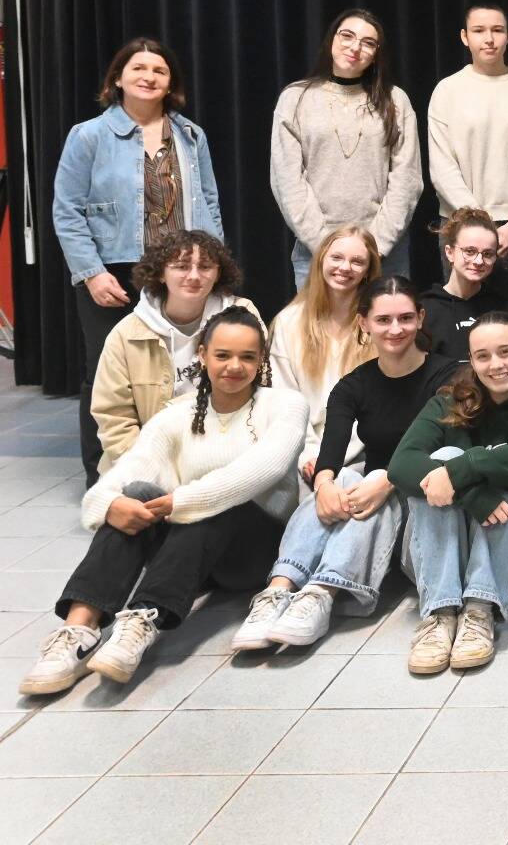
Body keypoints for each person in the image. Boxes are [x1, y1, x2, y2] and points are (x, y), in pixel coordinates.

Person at [20, 309, 307, 695]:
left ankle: (140, 622)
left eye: (247, 357)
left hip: (254, 551)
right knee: (135, 494)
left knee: (218, 500)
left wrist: (179, 502)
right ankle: (79, 630)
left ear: (261, 361)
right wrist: (109, 505)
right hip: (194, 551)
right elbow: (127, 470)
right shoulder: (178, 414)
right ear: (202, 356)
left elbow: (259, 472)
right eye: (222, 355)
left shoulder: (285, 405)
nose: (234, 366)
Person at [229, 278, 458, 652]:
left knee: (371, 480)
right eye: (383, 320)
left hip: (420, 497)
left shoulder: (447, 375)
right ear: (364, 323)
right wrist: (324, 486)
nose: (395, 329)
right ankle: (279, 591)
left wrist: (388, 480)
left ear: (420, 318)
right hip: (370, 495)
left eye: (405, 318)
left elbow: (448, 445)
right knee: (346, 475)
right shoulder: (354, 385)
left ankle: (322, 592)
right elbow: (331, 449)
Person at [56, 39, 224, 481]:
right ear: (117, 78)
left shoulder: (190, 135)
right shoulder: (88, 135)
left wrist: (214, 268)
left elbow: (209, 200)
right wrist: (91, 273)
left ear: (171, 83)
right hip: (113, 270)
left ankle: (177, 469)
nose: (149, 76)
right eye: (139, 68)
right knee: (107, 375)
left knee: (181, 368)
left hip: (181, 272)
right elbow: (66, 209)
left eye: (159, 70)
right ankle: (105, 477)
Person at [388, 313, 508, 673]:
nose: (496, 365)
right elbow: (400, 466)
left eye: (505, 352)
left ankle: (479, 611)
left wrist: (464, 471)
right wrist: (472, 495)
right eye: (483, 356)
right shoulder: (446, 402)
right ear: (471, 361)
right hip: (444, 555)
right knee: (441, 458)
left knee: (502, 465)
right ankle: (440, 614)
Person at [270, 9, 421, 283]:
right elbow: (287, 181)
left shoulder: (396, 100)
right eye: (347, 36)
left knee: (386, 327)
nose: (355, 47)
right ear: (331, 41)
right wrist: (329, 249)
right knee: (319, 327)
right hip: (315, 250)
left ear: (376, 53)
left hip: (384, 251)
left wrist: (373, 248)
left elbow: (407, 180)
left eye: (368, 42)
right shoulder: (296, 98)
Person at [90, 230, 259, 475]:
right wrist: (149, 468)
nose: (193, 276)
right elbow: (113, 416)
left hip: (226, 453)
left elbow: (262, 386)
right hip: (147, 460)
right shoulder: (126, 333)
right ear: (160, 273)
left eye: (205, 267)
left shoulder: (242, 314)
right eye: (181, 266)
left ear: (218, 273)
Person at [426, 3, 508, 272]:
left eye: (497, 30)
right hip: (460, 226)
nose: (489, 38)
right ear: (465, 37)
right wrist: (480, 226)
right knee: (462, 312)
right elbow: (442, 170)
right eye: (479, 30)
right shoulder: (447, 91)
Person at [268, 226, 380, 454]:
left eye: (357, 261)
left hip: (363, 453)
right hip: (299, 451)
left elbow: (380, 406)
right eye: (336, 258)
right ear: (320, 261)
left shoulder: (380, 325)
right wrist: (310, 458)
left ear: (368, 271)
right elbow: (283, 400)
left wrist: (334, 460)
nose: (345, 267)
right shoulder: (288, 322)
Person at [420, 209, 508, 361]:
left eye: (487, 254)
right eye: (470, 251)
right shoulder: (426, 309)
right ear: (450, 252)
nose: (478, 261)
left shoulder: (502, 308)